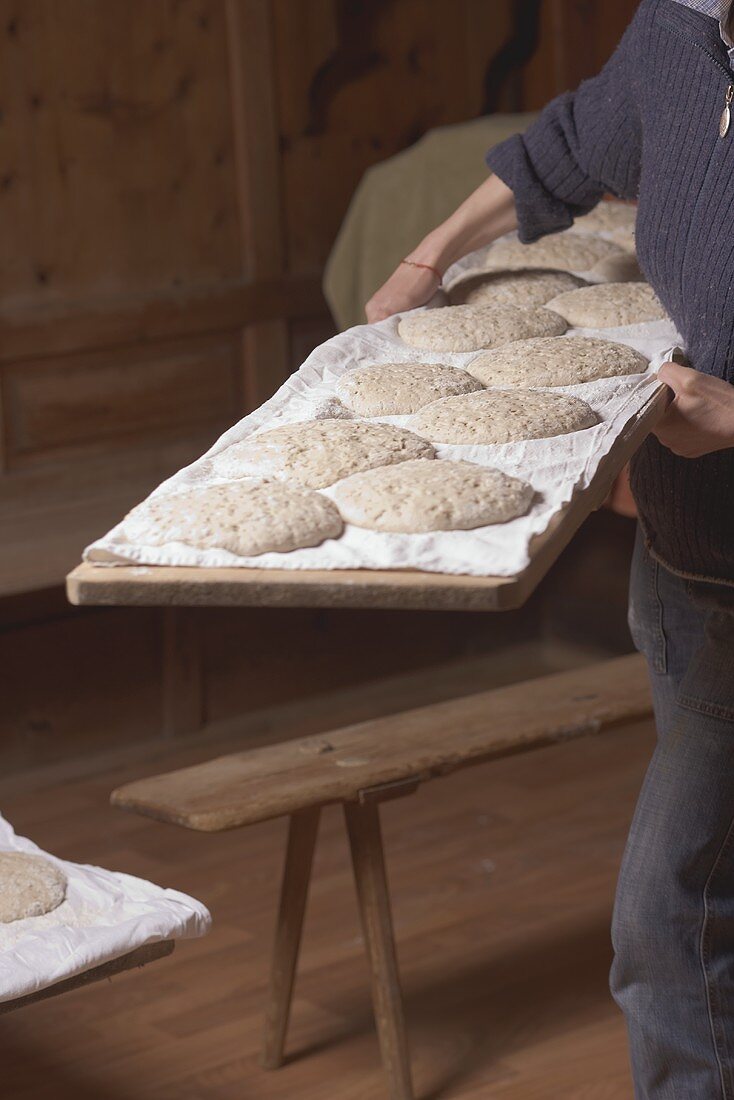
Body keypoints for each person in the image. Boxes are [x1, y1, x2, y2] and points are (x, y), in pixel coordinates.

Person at [367, 2, 734, 1097]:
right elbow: (566, 144)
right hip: (680, 553)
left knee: (666, 914)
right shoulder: (681, 34)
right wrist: (428, 257)